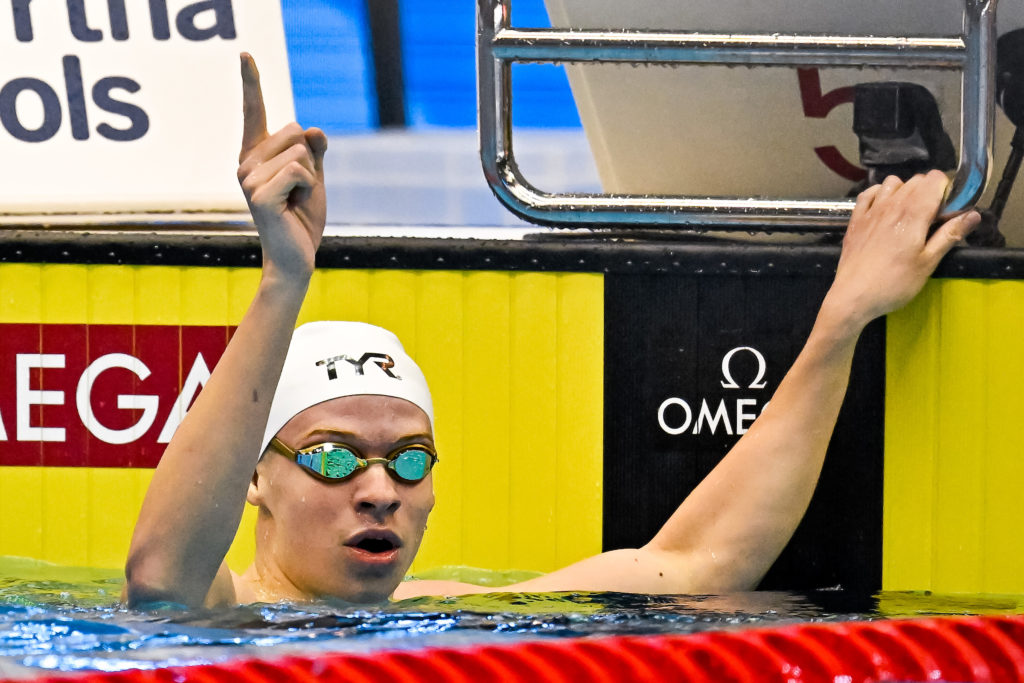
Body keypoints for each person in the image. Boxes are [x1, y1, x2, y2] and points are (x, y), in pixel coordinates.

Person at [123, 54, 981, 608]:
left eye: (410, 458)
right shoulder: (224, 617)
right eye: (336, 455)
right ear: (256, 480)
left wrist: (844, 317)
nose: (381, 488)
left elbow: (697, 564)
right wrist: (284, 279)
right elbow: (160, 582)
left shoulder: (454, 613)